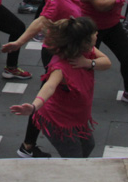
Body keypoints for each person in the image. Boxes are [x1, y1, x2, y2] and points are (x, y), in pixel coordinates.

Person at [9, 17, 109, 158]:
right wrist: (33, 107)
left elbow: (106, 62)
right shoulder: (60, 67)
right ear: (83, 41)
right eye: (93, 33)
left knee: (88, 146)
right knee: (74, 156)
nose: (97, 34)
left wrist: (88, 63)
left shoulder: (87, 51)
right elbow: (49, 86)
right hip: (58, 120)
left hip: (77, 115)